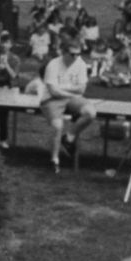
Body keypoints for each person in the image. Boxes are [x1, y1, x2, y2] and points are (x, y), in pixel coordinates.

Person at [42, 37, 96, 172]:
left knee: (91, 112)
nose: (76, 57)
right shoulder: (53, 65)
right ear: (64, 52)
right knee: (57, 125)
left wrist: (62, 89)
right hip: (51, 99)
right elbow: (53, 92)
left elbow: (82, 89)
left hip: (71, 98)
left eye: (78, 54)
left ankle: (69, 137)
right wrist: (71, 90)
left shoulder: (81, 64)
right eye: (73, 54)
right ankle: (54, 160)